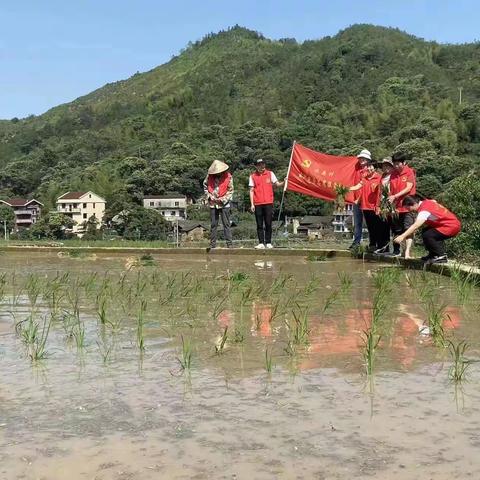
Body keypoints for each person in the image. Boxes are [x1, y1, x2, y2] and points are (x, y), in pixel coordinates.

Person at [393, 195, 461, 264]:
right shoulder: (426, 202)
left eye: (408, 208)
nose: (409, 211)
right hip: (449, 225)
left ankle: (441, 256)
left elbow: (416, 225)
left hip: (450, 226)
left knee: (428, 235)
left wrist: (402, 236)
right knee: (426, 231)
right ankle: (433, 255)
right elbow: (434, 201)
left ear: (413, 204)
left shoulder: (424, 210)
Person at [249, 159, 284, 249]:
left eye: (263, 164)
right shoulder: (252, 176)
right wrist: (252, 204)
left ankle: (268, 242)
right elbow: (251, 190)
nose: (262, 166)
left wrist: (284, 182)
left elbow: (277, 184)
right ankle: (261, 242)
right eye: (260, 165)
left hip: (268, 202)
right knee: (259, 224)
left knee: (268, 223)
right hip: (257, 203)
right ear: (256, 166)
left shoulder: (270, 173)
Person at [386, 152, 416, 258]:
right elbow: (390, 188)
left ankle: (407, 252)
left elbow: (408, 188)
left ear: (404, 162)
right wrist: (390, 198)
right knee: (396, 229)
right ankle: (397, 250)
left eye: (398, 163)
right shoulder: (393, 174)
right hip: (396, 207)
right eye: (394, 164)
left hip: (408, 206)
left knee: (408, 229)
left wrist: (395, 196)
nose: (396, 166)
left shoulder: (409, 172)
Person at [349, 160, 382, 252]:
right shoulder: (365, 178)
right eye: (368, 166)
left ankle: (379, 245)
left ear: (375, 168)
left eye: (371, 166)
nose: (369, 168)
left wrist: (378, 205)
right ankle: (372, 245)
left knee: (376, 226)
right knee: (370, 227)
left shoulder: (379, 178)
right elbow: (357, 187)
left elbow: (381, 193)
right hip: (365, 207)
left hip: (374, 207)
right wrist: (347, 188)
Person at [203, 160, 234, 249]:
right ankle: (212, 244)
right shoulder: (209, 177)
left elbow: (231, 190)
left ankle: (229, 244)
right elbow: (205, 187)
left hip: (224, 203)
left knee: (226, 224)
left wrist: (223, 199)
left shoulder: (228, 176)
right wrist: (209, 196)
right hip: (213, 203)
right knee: (213, 224)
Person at [350, 149, 371, 249]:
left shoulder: (370, 171)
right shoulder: (357, 170)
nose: (361, 160)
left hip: (367, 202)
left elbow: (363, 186)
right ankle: (356, 242)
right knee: (357, 223)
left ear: (368, 159)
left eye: (363, 158)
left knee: (369, 223)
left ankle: (372, 243)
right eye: (360, 158)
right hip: (356, 201)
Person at [374, 158, 395, 254]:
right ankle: (384, 248)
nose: (385, 167)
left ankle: (397, 249)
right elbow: (379, 192)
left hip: (392, 204)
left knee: (394, 227)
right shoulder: (382, 177)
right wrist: (378, 205)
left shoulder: (395, 176)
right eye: (384, 166)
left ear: (392, 166)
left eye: (388, 165)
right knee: (383, 226)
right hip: (383, 204)